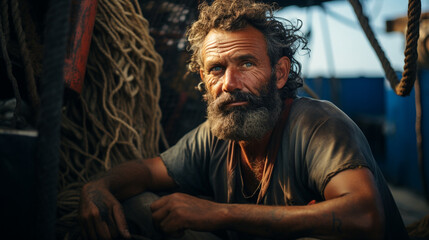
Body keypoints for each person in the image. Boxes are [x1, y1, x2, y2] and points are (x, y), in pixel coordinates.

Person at [79, 0, 409, 239]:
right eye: (217, 69)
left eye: (246, 64)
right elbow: (148, 171)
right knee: (139, 207)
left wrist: (218, 213)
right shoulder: (213, 136)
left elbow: (365, 217)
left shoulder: (316, 124)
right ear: (205, 80)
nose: (230, 83)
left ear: (279, 73)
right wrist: (99, 186)